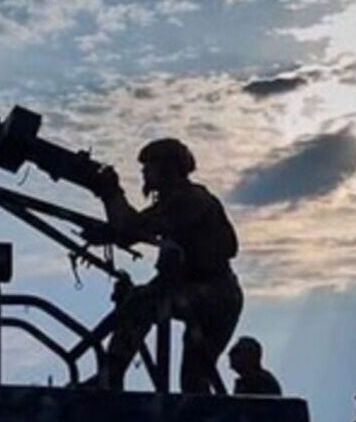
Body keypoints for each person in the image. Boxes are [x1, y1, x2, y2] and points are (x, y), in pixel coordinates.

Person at [93, 138, 243, 394]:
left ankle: (110, 376)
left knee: (192, 376)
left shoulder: (191, 200)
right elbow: (130, 230)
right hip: (206, 294)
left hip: (215, 296)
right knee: (193, 381)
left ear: (168, 168)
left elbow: (131, 229)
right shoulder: (175, 203)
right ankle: (110, 376)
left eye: (149, 166)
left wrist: (110, 192)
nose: (144, 173)